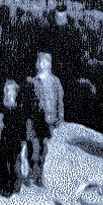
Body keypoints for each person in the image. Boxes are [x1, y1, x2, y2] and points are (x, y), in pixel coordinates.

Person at [25, 51, 63, 187]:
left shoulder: (55, 81)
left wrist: (59, 117)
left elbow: (59, 100)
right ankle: (31, 172)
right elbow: (26, 101)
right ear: (37, 64)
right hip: (33, 119)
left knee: (43, 147)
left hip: (48, 119)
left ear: (50, 64)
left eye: (46, 62)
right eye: (41, 61)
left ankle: (39, 175)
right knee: (32, 145)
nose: (43, 64)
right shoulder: (32, 81)